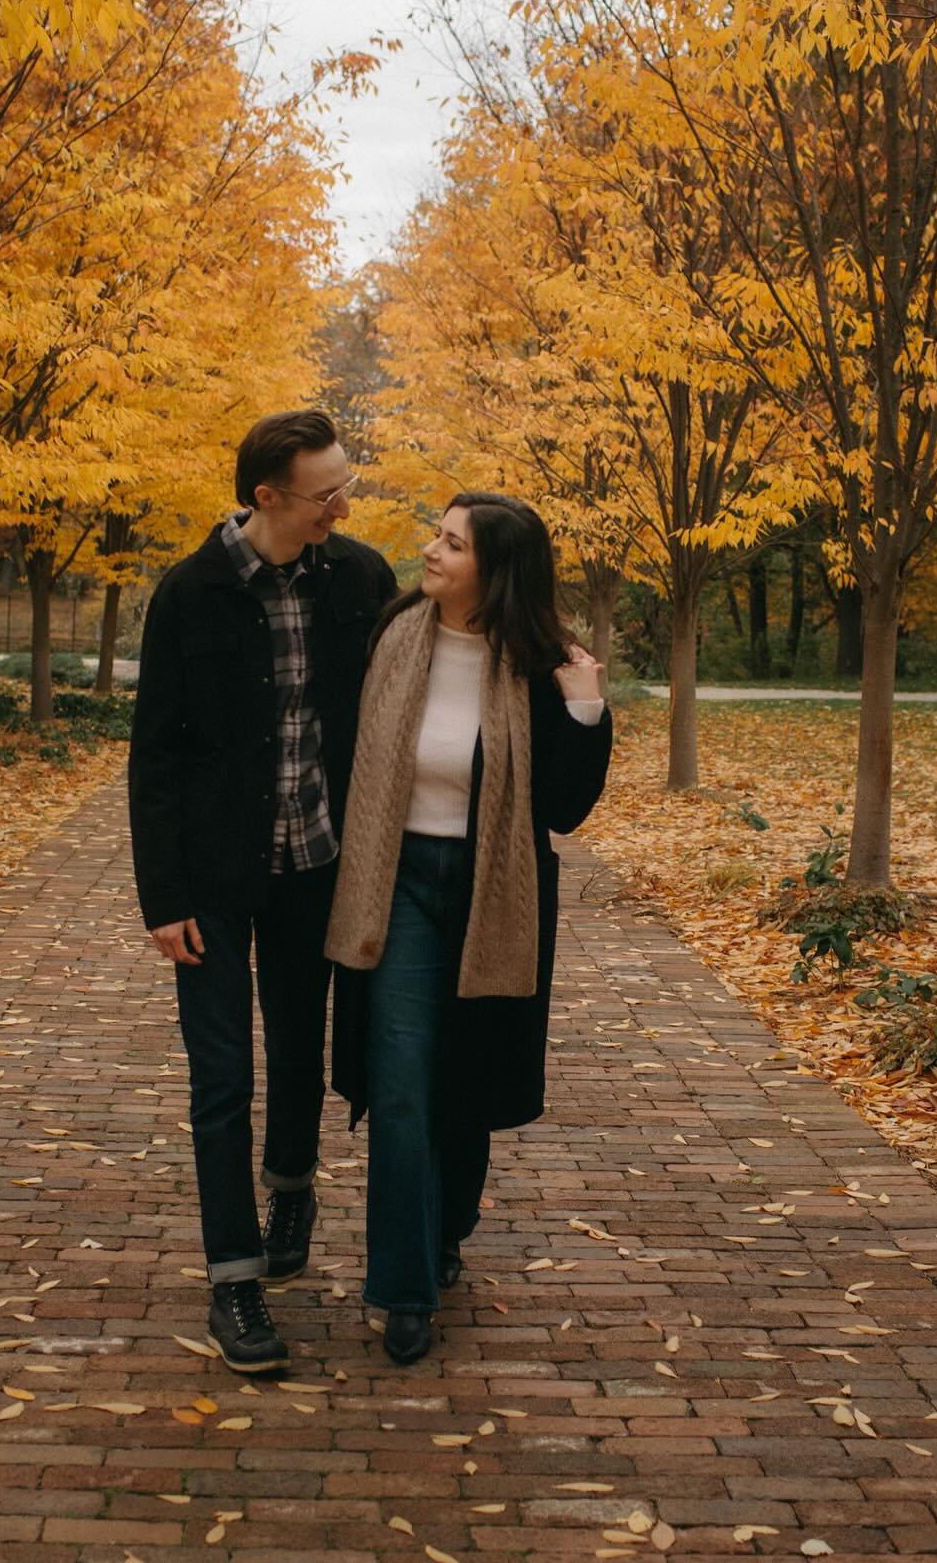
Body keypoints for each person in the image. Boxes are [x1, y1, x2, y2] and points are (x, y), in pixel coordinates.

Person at [128, 410, 397, 1372]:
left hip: (314, 862)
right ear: (266, 497)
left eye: (346, 485)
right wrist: (162, 896)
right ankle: (234, 1282)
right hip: (211, 874)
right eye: (327, 493)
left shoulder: (360, 577)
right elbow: (155, 755)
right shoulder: (188, 593)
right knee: (220, 1078)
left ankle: (291, 1186)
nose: (343, 506)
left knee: (296, 1049)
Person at [325, 491, 612, 1365]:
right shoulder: (393, 634)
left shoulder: (541, 663)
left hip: (494, 889)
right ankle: (404, 1288)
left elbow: (563, 808)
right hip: (396, 882)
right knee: (402, 1082)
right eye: (438, 536)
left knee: (465, 1083)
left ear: (497, 570)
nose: (432, 550)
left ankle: (445, 1229)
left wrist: (585, 710)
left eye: (453, 544)